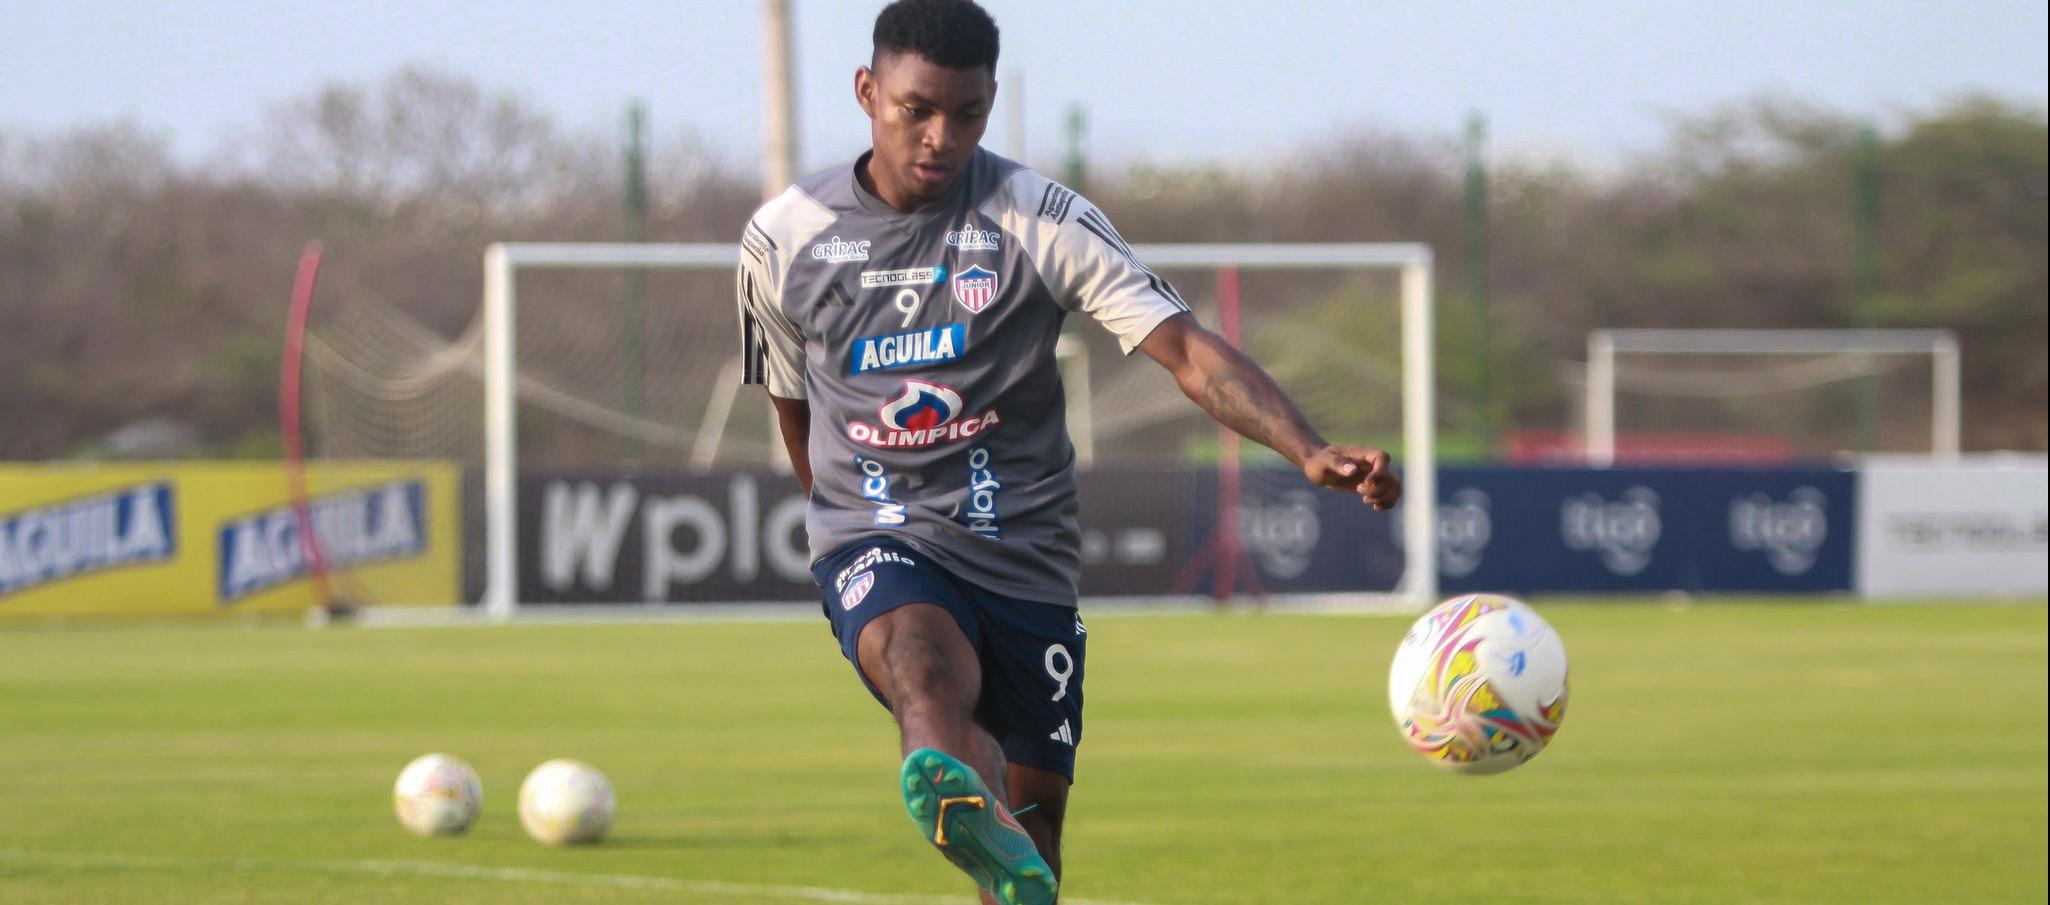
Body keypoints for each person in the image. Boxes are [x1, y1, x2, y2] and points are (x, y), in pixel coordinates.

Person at [736, 2, 1401, 901]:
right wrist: (842, 533)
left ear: (991, 103)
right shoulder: (783, 239)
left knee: (1035, 837)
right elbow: (790, 403)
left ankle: (985, 809)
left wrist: (1308, 448)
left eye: (966, 114)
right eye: (915, 109)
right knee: (922, 667)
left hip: (1025, 556)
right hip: (879, 534)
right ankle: (943, 767)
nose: (940, 136)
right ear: (868, 92)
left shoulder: (1039, 219)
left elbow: (1187, 350)